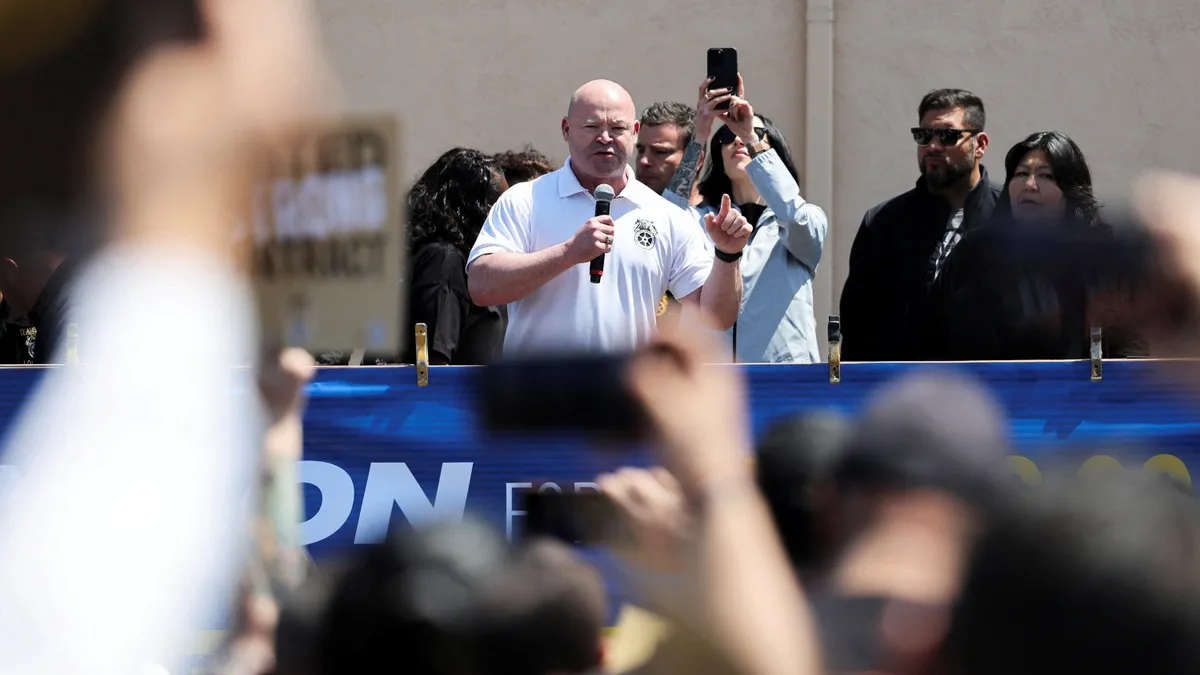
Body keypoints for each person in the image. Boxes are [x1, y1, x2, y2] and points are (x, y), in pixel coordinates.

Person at [467, 79, 749, 355]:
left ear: (635, 130)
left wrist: (727, 255)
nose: (605, 138)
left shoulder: (666, 215)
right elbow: (482, 287)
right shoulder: (525, 200)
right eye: (591, 127)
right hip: (540, 397)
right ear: (566, 129)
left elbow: (716, 317)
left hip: (626, 397)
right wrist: (567, 254)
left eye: (617, 127)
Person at [926, 131, 1145, 360]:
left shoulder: (1101, 255)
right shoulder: (976, 254)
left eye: (1046, 176)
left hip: (1085, 391)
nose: (1029, 185)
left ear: (1071, 190)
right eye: (1021, 174)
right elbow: (940, 337)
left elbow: (1136, 344)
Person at [662, 76, 828, 363]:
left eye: (752, 133)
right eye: (727, 135)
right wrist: (700, 132)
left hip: (783, 379)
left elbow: (795, 216)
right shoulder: (700, 221)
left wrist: (751, 137)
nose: (737, 138)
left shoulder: (802, 217)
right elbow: (663, 221)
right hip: (712, 381)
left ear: (773, 152)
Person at [839, 89, 1001, 362]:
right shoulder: (884, 223)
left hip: (996, 391)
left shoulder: (1010, 216)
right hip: (906, 391)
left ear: (980, 144)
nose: (933, 147)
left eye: (948, 136)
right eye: (924, 136)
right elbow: (857, 328)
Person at [405, 147, 507, 365]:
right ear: (475, 207)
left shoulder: (460, 260)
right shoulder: (445, 261)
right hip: (447, 397)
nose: (506, 216)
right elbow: (433, 364)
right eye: (499, 206)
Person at [635, 101, 697, 200]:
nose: (644, 161)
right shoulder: (618, 210)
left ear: (696, 160)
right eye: (641, 150)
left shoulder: (719, 214)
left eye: (660, 152)